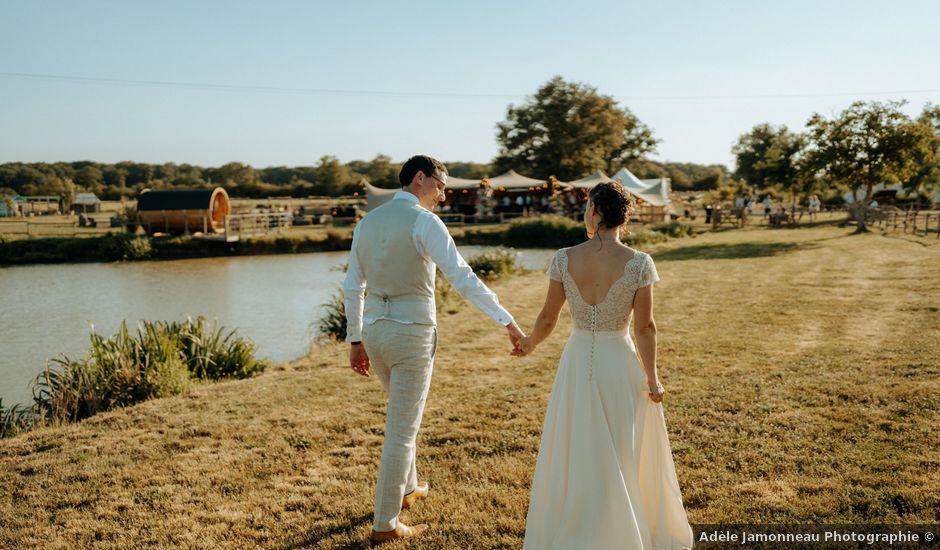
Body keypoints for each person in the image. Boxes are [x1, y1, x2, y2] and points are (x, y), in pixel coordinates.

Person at [343, 155, 526, 545]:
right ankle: (385, 524)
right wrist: (507, 321)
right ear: (420, 178)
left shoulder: (366, 221)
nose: (443, 195)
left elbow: (352, 285)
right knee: (402, 431)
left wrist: (355, 338)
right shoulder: (426, 222)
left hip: (374, 334)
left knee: (401, 415)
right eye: (440, 185)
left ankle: (408, 489)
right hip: (411, 336)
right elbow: (462, 276)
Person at [513, 181, 693, 549]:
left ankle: (580, 525)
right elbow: (645, 328)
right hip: (618, 363)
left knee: (579, 443)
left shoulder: (564, 257)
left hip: (577, 361)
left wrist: (529, 344)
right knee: (621, 448)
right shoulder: (640, 262)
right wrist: (652, 379)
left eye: (585, 206)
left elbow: (548, 318)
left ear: (594, 210)